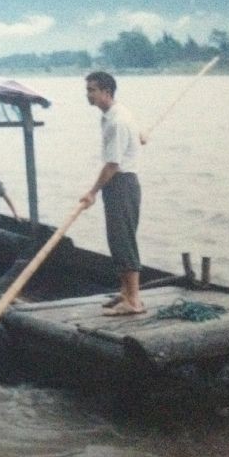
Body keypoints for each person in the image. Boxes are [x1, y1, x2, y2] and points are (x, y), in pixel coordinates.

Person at [79, 71, 146, 316]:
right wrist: (139, 138)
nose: (88, 95)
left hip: (121, 183)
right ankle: (125, 292)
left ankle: (134, 301)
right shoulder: (114, 114)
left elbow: (112, 164)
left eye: (92, 90)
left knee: (122, 241)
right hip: (121, 183)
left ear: (106, 92)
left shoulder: (117, 121)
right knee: (117, 239)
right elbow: (134, 135)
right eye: (88, 90)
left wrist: (92, 192)